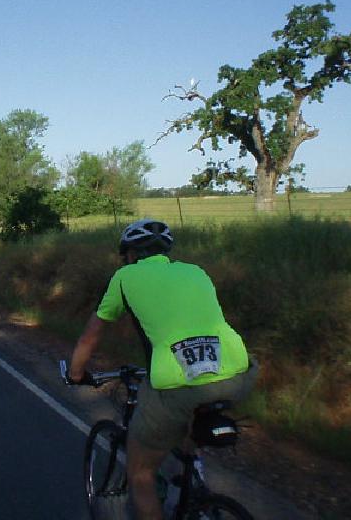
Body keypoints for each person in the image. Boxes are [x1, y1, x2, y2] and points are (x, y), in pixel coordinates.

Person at [69, 218, 257, 520]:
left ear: (130, 254)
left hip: (177, 385)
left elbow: (92, 335)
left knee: (140, 472)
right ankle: (192, 476)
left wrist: (76, 374)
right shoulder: (196, 272)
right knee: (188, 417)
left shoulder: (124, 277)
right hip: (239, 373)